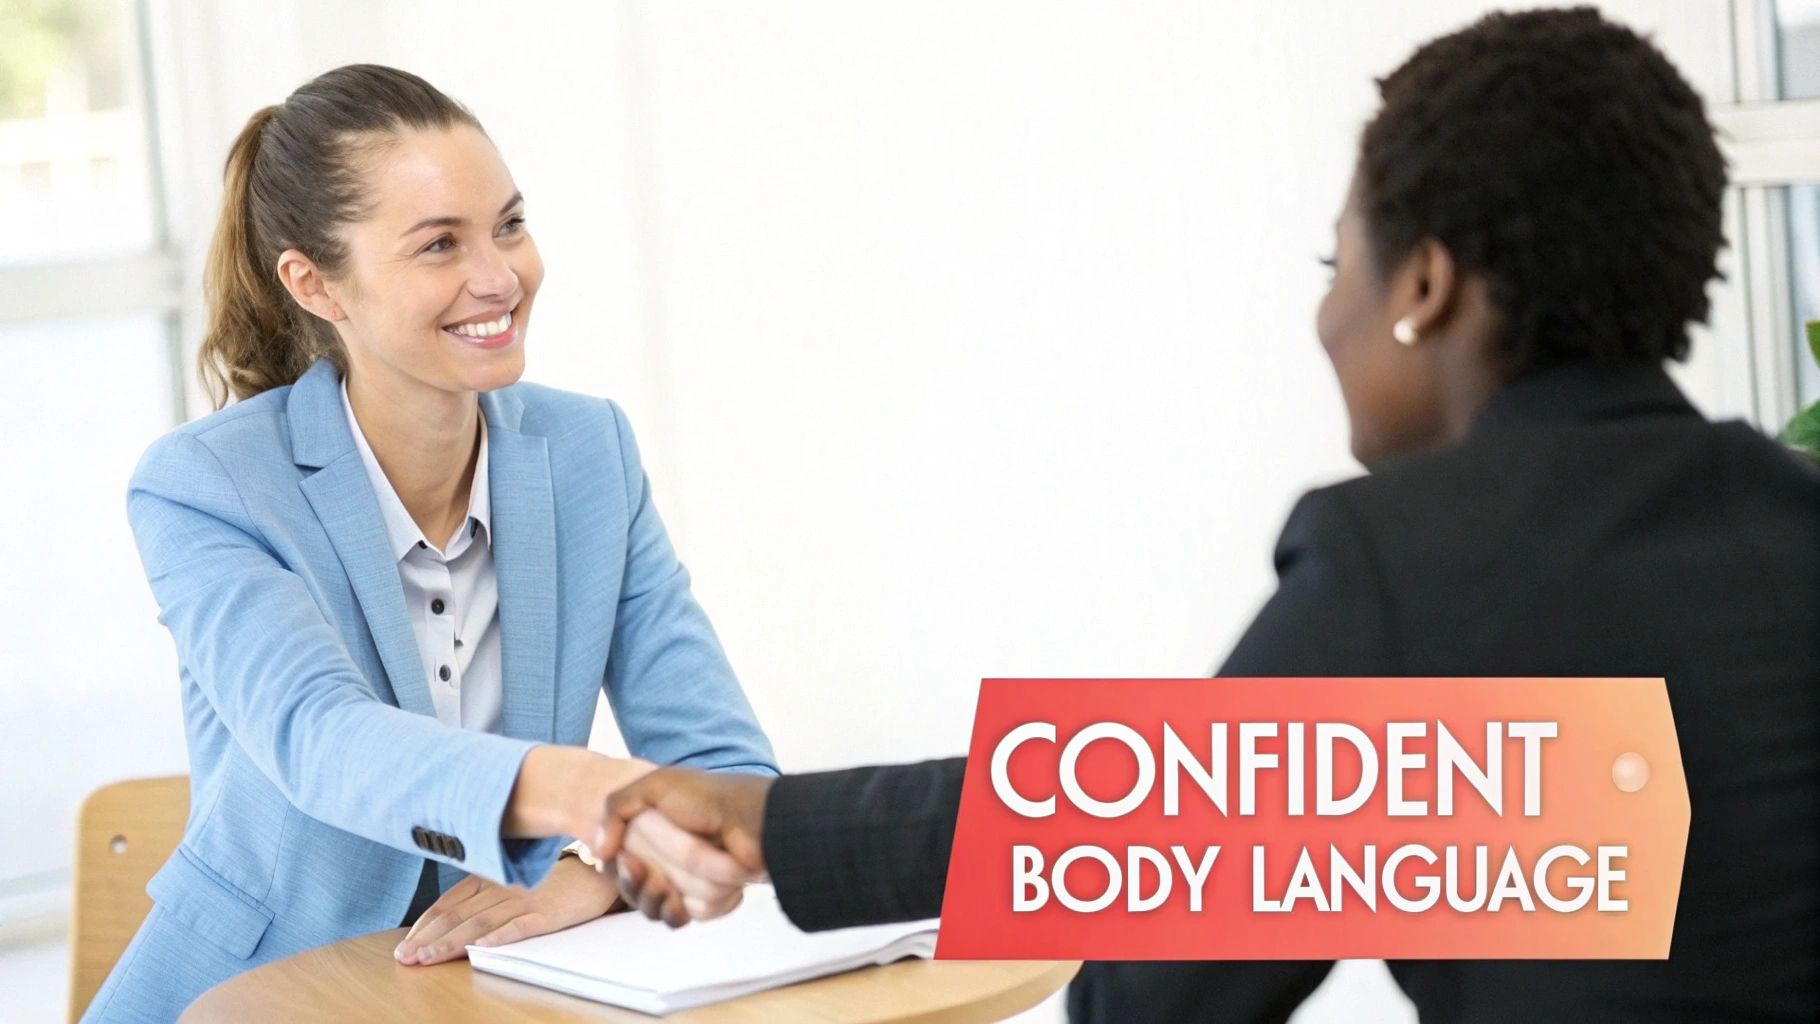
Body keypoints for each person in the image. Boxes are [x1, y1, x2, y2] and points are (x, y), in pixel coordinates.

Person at [594, 9, 1820, 1021]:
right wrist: (780, 824)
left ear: (1424, 286)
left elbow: (1163, 983)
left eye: (1331, 266)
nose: (1325, 318)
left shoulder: (1409, 571)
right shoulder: (1782, 519)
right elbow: (1237, 797)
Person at [84, 65, 777, 1023]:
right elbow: (323, 741)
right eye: (438, 245)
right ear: (315, 282)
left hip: (499, 993)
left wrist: (597, 874)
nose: (498, 276)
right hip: (257, 991)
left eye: (509, 225)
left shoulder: (589, 454)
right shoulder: (207, 485)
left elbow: (727, 771)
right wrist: (590, 795)